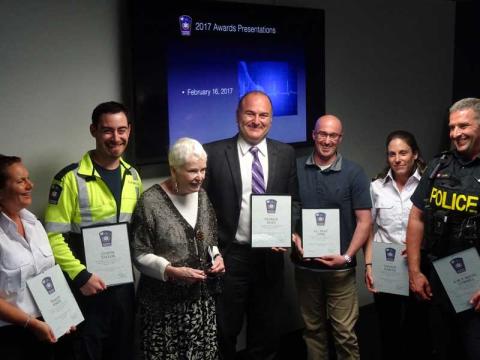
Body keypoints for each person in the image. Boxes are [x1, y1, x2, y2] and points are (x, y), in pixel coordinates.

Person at [203, 91, 301, 360]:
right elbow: (202, 210)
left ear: (271, 119)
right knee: (225, 331)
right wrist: (211, 251)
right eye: (250, 113)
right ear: (238, 116)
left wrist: (287, 230)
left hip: (270, 257)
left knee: (266, 333)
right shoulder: (212, 153)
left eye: (263, 115)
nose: (256, 120)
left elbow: (293, 201)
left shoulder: (285, 153)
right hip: (230, 257)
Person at [44, 101, 142, 360]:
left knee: (123, 352)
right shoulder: (69, 178)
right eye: (108, 130)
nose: (116, 137)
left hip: (123, 289)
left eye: (121, 130)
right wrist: (80, 277)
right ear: (93, 130)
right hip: (86, 290)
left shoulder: (133, 177)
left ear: (129, 131)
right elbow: (53, 236)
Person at [131, 137, 224, 360]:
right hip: (164, 309)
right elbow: (139, 253)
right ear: (174, 170)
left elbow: (209, 239)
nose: (200, 177)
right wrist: (171, 271)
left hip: (200, 305)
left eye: (203, 170)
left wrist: (217, 257)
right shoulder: (150, 202)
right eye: (192, 171)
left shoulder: (202, 195)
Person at [292, 115, 372, 360]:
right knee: (313, 330)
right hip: (306, 268)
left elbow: (364, 221)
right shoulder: (294, 169)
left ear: (340, 138)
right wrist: (292, 235)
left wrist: (347, 257)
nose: (327, 140)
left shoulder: (354, 173)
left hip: (340, 270)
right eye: (322, 134)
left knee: (345, 333)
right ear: (314, 135)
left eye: (333, 135)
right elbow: (287, 209)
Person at [407, 97, 480, 360]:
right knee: (441, 349)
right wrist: (414, 271)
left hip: (476, 289)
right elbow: (417, 217)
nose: (455, 134)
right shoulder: (439, 166)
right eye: (451, 127)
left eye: (463, 126)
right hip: (437, 280)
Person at [364, 130, 431, 360]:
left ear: (415, 155)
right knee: (387, 327)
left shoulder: (428, 186)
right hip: (387, 265)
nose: (397, 159)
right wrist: (369, 265)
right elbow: (368, 229)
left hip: (419, 266)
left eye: (403, 152)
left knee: (418, 327)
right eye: (392, 154)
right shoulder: (376, 187)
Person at [0, 155, 56, 359]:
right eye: (20, 181)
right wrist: (31, 324)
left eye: (28, 178)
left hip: (45, 327)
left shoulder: (34, 224)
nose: (30, 185)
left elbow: (48, 275)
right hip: (10, 337)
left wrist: (63, 316)